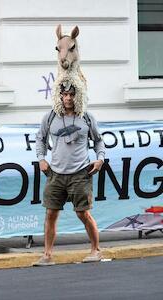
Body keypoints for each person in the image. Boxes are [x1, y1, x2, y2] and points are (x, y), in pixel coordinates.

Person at [34, 82, 106, 266]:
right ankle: (47, 255)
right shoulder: (50, 117)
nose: (68, 98)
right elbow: (40, 138)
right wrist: (41, 158)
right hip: (55, 174)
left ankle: (95, 250)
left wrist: (100, 159)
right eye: (64, 94)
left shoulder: (87, 117)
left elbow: (98, 141)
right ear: (59, 96)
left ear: (78, 96)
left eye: (71, 94)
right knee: (50, 213)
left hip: (80, 173)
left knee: (83, 213)